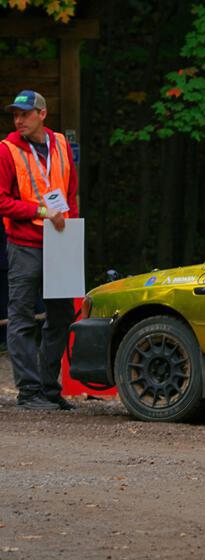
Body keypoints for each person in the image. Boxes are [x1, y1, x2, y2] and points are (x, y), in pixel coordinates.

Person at [0, 90, 78, 411]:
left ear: (42, 114)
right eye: (15, 115)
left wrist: (71, 223)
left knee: (61, 316)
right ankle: (29, 392)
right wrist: (42, 213)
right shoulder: (7, 150)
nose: (18, 120)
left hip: (60, 241)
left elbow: (71, 189)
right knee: (21, 317)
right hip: (24, 243)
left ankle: (48, 388)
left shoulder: (60, 143)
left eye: (25, 114)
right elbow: (2, 200)